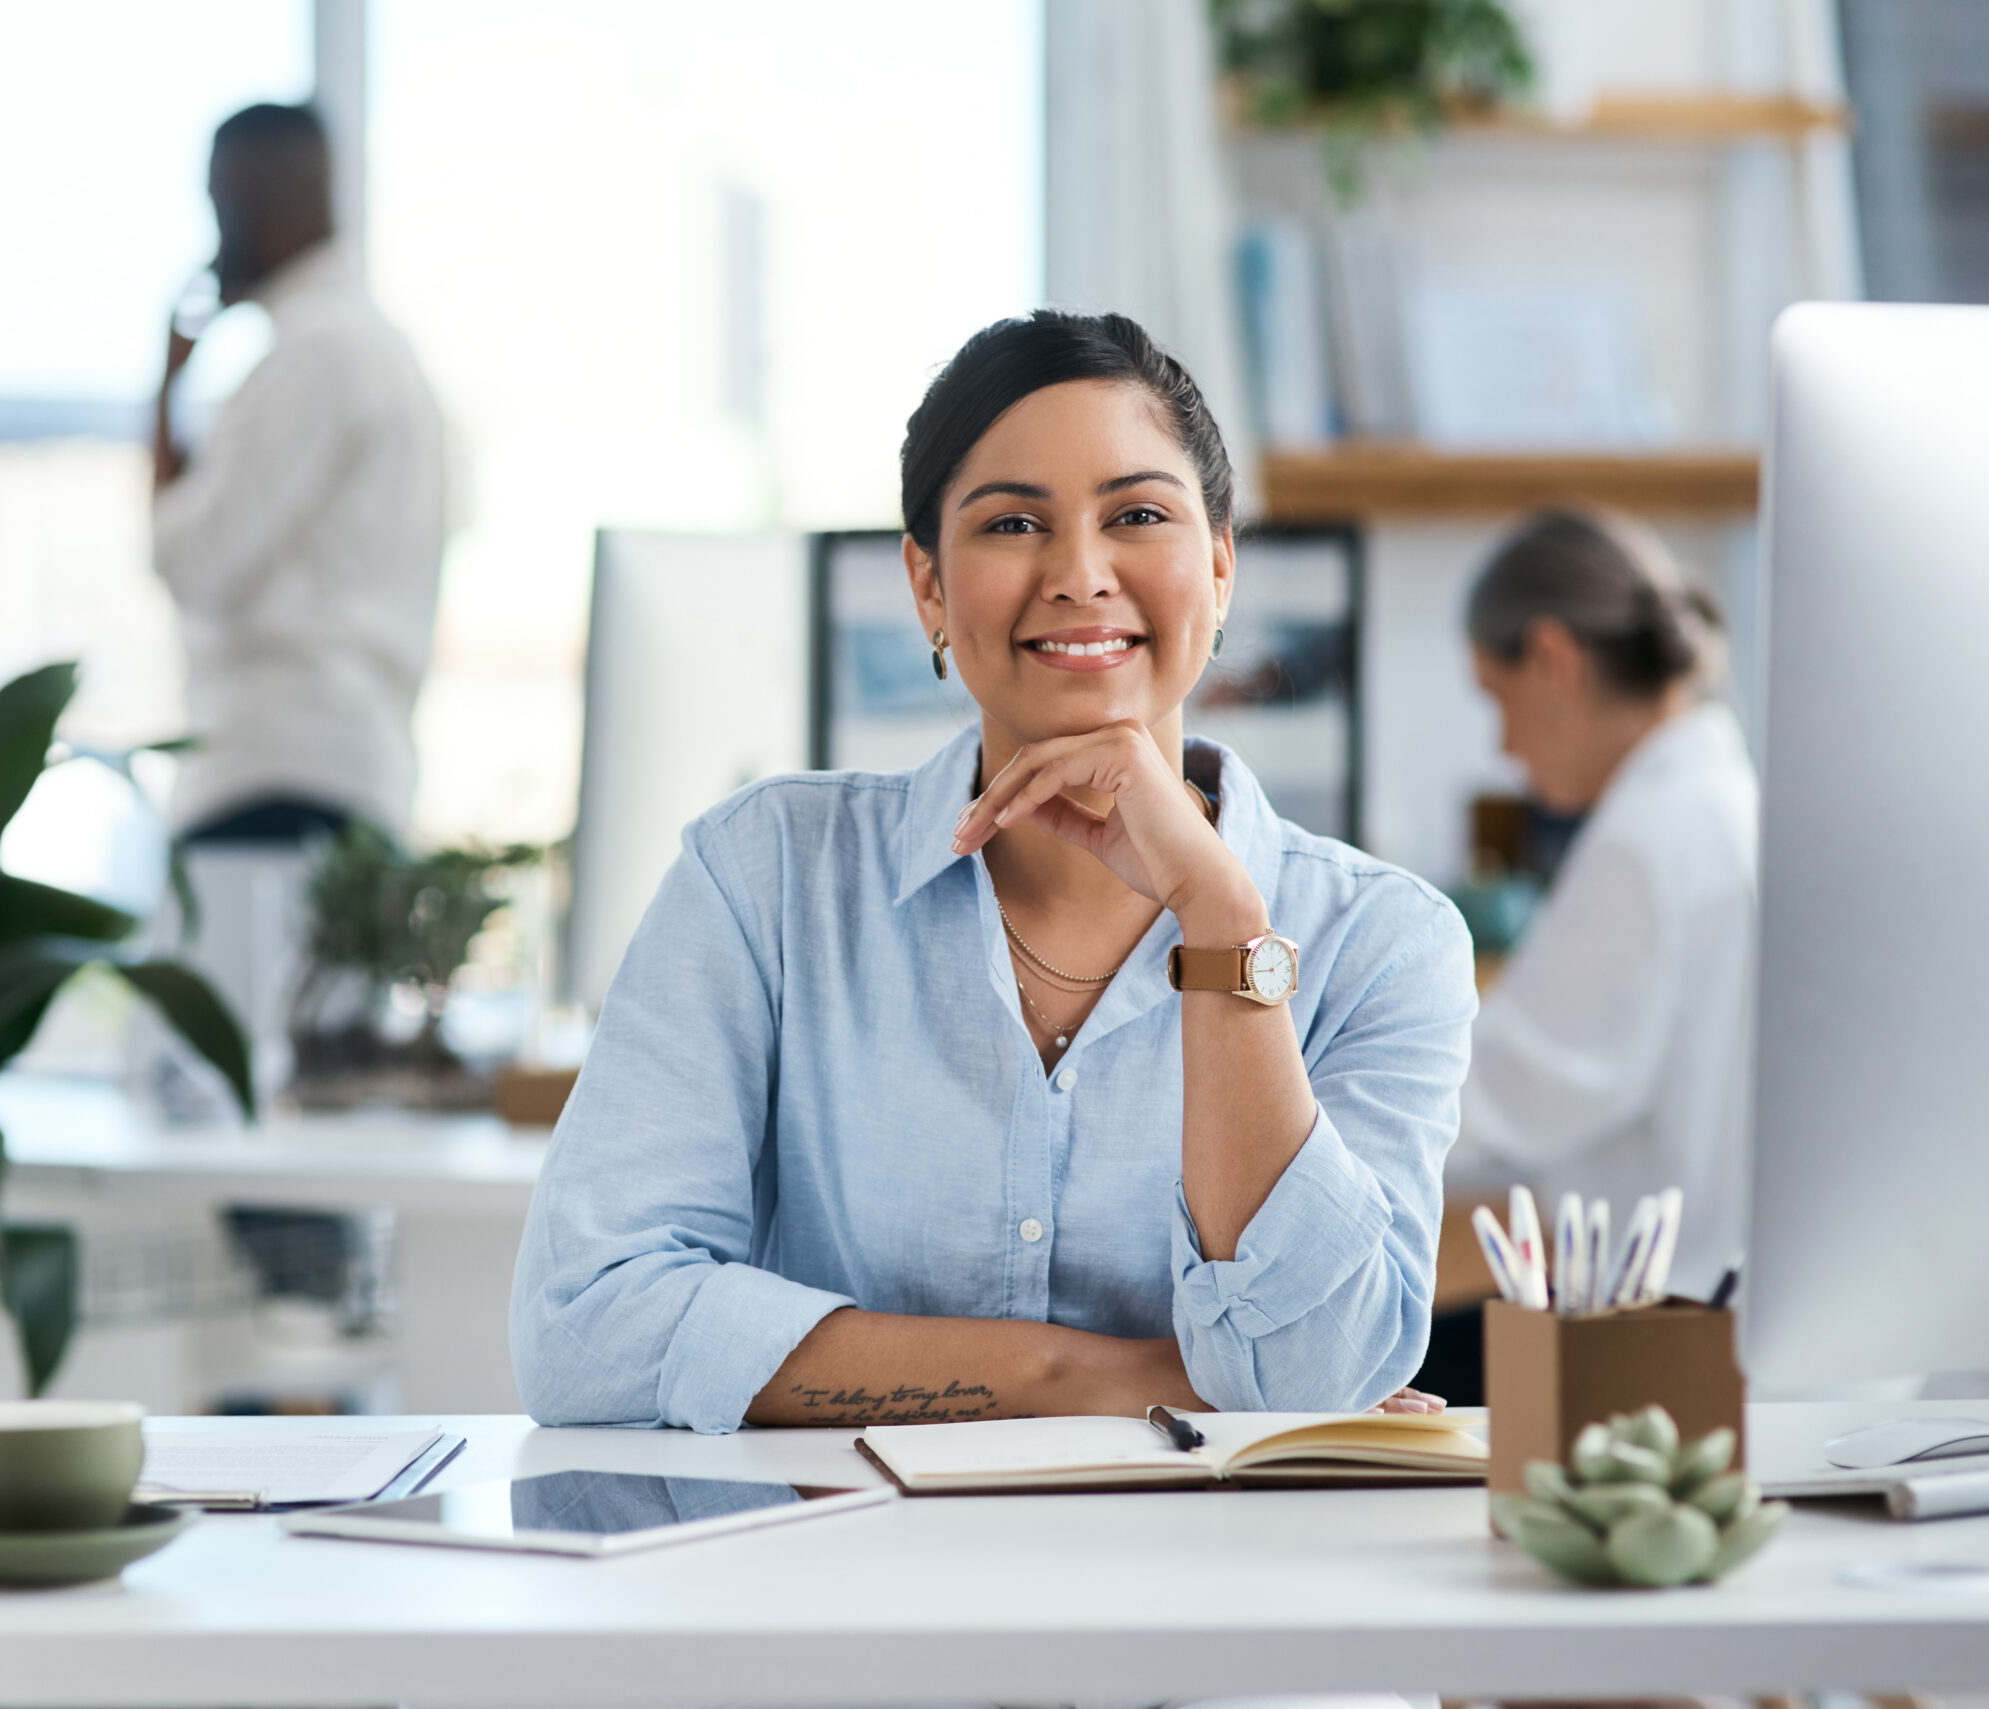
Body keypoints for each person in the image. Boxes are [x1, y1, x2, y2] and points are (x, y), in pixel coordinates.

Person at [510, 311, 1476, 1431]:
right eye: (1013, 522)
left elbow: (1320, 1380)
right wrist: (1099, 1377)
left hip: (1211, 1590)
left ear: (1218, 565)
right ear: (927, 584)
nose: (1078, 575)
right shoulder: (767, 877)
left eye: (1138, 516)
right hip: (838, 1578)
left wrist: (1220, 922)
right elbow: (586, 1326)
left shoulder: (1383, 941)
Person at [1423, 509, 1756, 1399]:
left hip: (1660, 1339)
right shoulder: (1716, 804)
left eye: (1496, 697)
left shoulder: (1650, 841)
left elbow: (1497, 1101)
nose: (1502, 745)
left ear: (1552, 660)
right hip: (1718, 1306)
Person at [151, 102, 446, 847]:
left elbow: (187, 561)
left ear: (273, 189)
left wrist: (165, 389)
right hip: (347, 771)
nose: (218, 227)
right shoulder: (377, 347)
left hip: (275, 776)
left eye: (224, 198)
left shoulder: (312, 356)